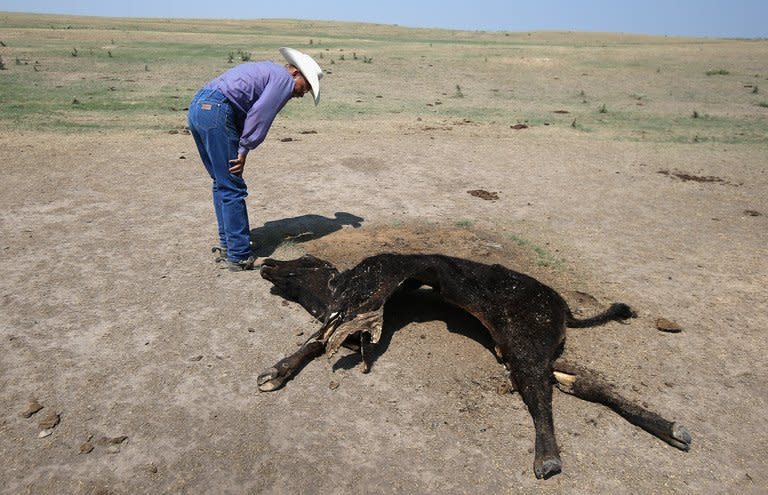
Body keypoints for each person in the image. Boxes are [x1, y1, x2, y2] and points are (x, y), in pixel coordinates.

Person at [188, 47, 323, 271]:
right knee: (231, 184)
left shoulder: (269, 70)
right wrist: (244, 149)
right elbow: (260, 115)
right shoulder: (283, 81)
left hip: (199, 107)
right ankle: (239, 255)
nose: (302, 94)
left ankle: (228, 245)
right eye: (306, 86)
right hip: (217, 110)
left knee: (222, 182)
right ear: (295, 73)